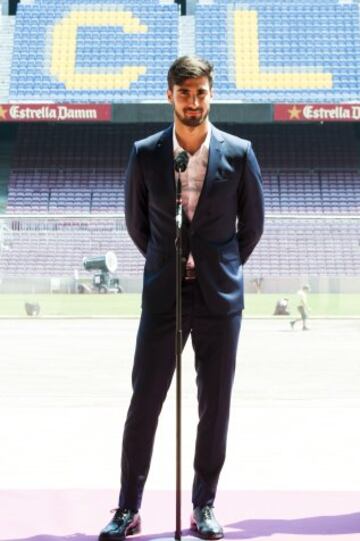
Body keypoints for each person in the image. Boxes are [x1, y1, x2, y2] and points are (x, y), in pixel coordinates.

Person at [99, 56, 264, 541]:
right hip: (163, 297)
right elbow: (138, 225)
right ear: (170, 94)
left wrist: (219, 266)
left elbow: (250, 227)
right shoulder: (145, 153)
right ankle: (128, 508)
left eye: (201, 93)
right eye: (184, 93)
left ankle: (204, 504)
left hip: (219, 300)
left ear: (211, 95)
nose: (193, 102)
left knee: (215, 407)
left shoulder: (239, 152)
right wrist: (170, 264)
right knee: (144, 402)